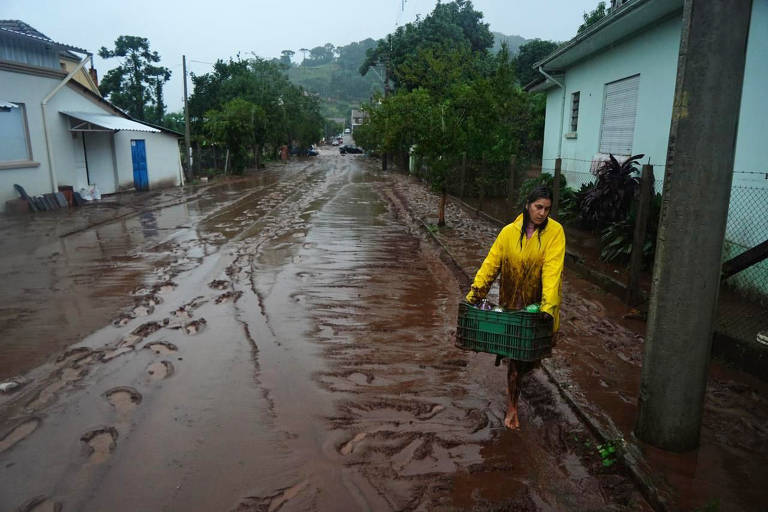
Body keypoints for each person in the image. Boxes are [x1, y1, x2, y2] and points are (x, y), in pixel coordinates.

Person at [465, 186, 565, 430]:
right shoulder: (508, 233)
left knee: (529, 360)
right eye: (538, 207)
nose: (542, 213)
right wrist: (474, 296)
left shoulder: (555, 233)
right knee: (516, 362)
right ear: (527, 205)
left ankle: (521, 378)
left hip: (537, 310)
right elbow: (490, 265)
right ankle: (512, 408)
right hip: (512, 307)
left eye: (547, 209)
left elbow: (552, 272)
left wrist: (548, 310)